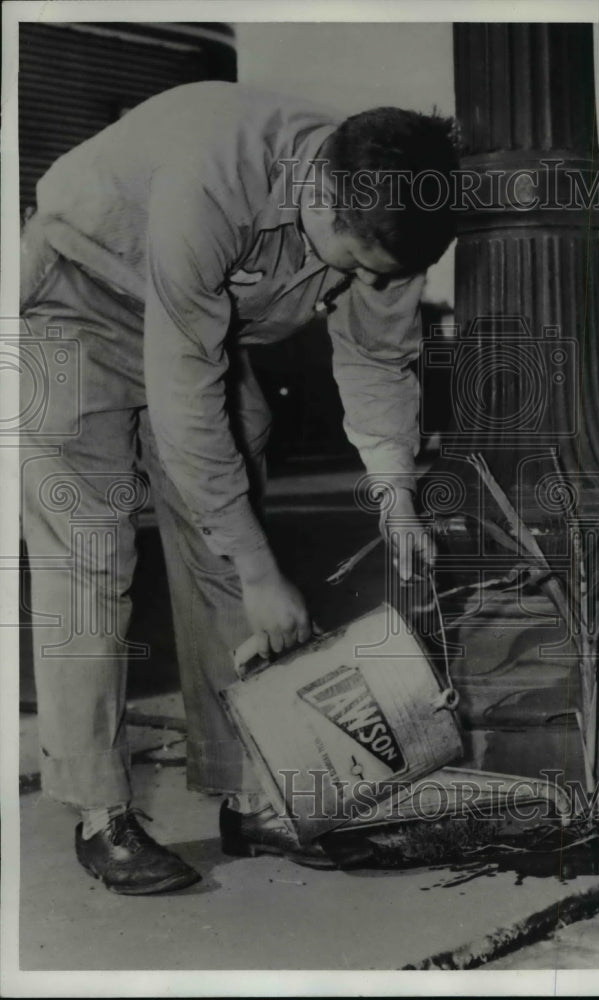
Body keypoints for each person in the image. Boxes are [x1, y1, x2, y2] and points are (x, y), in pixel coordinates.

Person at [20, 81, 459, 894]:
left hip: (204, 325)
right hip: (73, 301)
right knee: (90, 556)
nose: (357, 278)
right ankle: (100, 813)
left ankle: (250, 793)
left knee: (225, 550)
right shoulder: (215, 175)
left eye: (380, 271)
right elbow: (185, 395)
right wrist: (263, 572)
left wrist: (394, 495)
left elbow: (375, 358)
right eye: (351, 258)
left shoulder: (394, 214)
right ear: (323, 192)